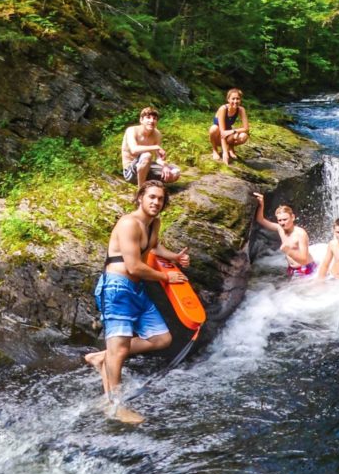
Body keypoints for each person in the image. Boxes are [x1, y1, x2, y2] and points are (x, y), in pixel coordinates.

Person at [85, 180, 191, 422]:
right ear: (141, 197)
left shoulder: (154, 223)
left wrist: (174, 257)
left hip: (137, 288)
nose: (155, 202)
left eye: (160, 199)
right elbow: (133, 266)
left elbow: (152, 248)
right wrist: (166, 276)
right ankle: (115, 406)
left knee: (161, 338)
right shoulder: (129, 224)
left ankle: (103, 356)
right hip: (116, 289)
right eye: (151, 197)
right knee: (120, 350)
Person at [252, 192, 316, 277]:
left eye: (285, 219)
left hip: (305, 268)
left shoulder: (300, 234)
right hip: (292, 269)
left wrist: (288, 250)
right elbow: (260, 220)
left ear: (292, 217)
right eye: (280, 220)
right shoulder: (280, 229)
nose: (282, 223)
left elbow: (304, 260)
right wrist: (261, 204)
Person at [122, 106, 181, 187]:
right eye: (148, 118)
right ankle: (141, 190)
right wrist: (156, 147)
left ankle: (151, 183)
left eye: (154, 118)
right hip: (131, 172)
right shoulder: (132, 130)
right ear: (141, 120)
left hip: (148, 169)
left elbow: (158, 159)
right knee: (147, 155)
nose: (151, 121)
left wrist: (165, 166)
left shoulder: (157, 134)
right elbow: (134, 149)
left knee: (175, 171)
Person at [209, 88, 250, 165]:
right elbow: (222, 132)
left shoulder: (241, 109)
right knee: (213, 128)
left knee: (243, 136)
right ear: (228, 99)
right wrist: (224, 153)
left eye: (237, 99)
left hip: (228, 134)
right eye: (233, 99)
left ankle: (231, 148)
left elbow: (246, 128)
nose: (235, 101)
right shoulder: (223, 109)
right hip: (218, 135)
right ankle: (215, 150)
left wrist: (233, 131)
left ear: (240, 100)